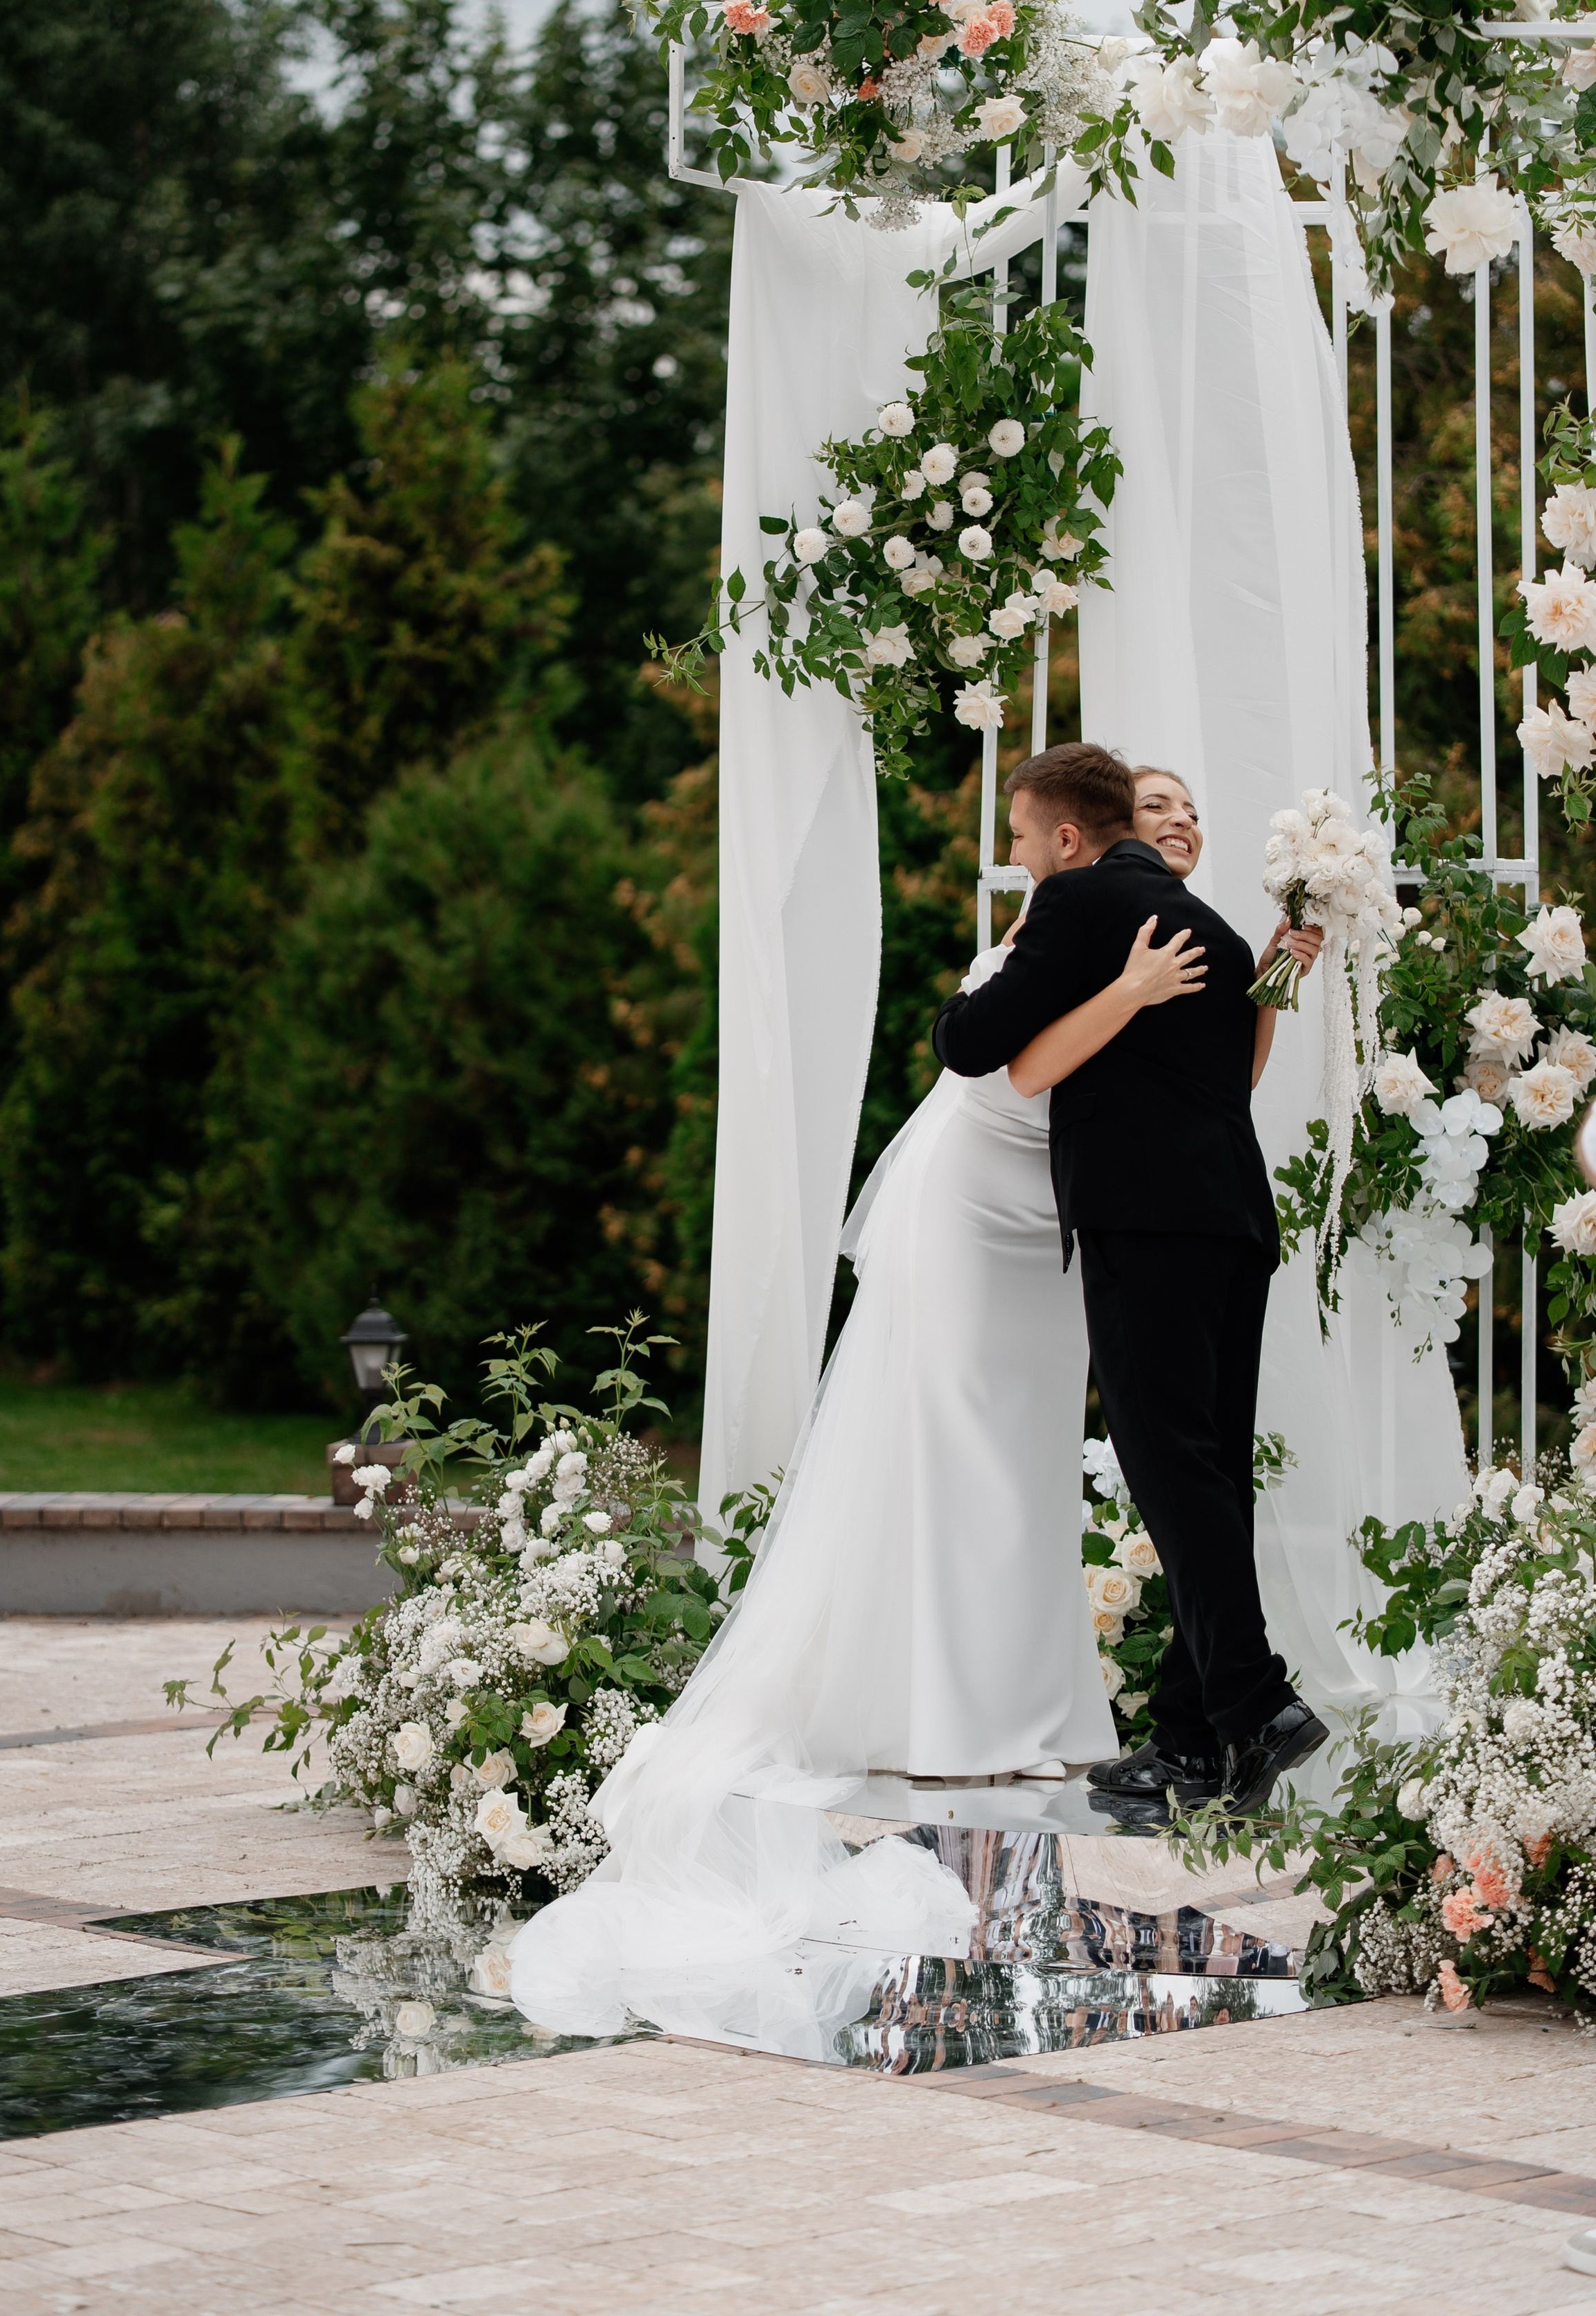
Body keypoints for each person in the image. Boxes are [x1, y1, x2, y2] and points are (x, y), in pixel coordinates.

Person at [509, 764, 1219, 2039]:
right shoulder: (1064, 918)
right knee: (953, 1450)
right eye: (1153, 810)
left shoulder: (1149, 923)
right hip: (972, 1211)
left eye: (1022, 834)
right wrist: (1126, 994)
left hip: (1048, 1227)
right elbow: (1001, 1062)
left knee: (1025, 1459)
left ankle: (1038, 1709)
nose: (1017, 852)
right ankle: (945, 1714)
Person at [933, 742, 1328, 1821]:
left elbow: (970, 1044)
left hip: (1147, 1224)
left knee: (1170, 1468)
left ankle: (1257, 1703)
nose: (1020, 856)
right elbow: (1229, 1080)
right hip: (1234, 1221)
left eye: (1022, 838)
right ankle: (1193, 1745)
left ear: (1067, 837)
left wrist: (1008, 970)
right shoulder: (1218, 931)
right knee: (1211, 1471)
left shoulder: (1078, 903)